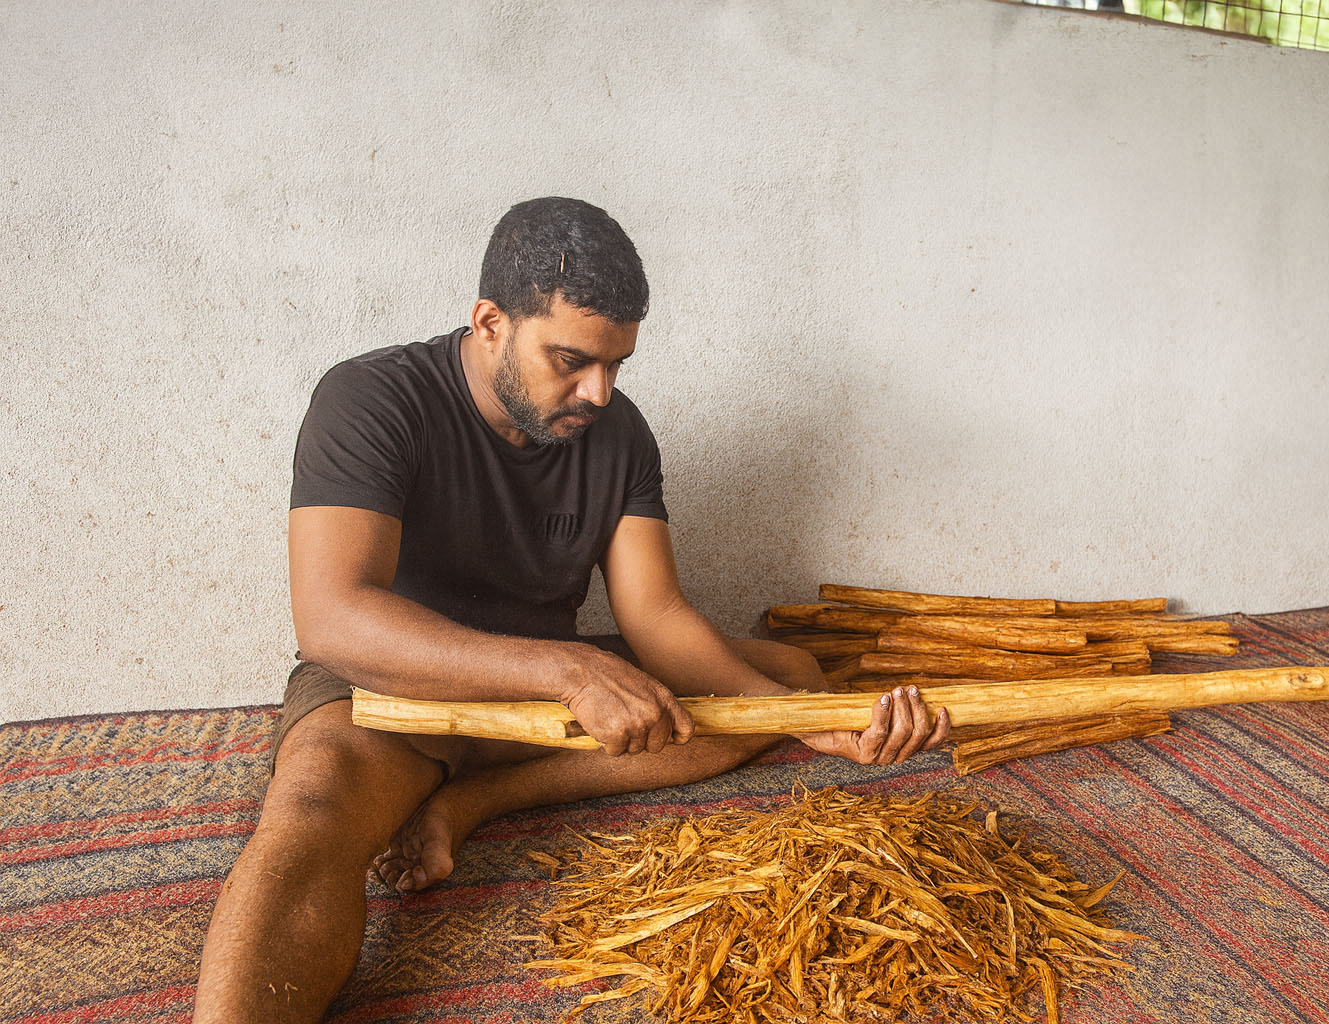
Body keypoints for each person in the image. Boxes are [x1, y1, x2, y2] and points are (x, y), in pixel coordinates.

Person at [191, 197, 949, 1022]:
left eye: (617, 364)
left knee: (789, 671)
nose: (598, 391)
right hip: (396, 697)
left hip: (546, 704)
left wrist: (806, 719)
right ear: (489, 322)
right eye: (571, 360)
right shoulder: (371, 398)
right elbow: (332, 618)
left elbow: (657, 617)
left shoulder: (619, 435)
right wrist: (566, 667)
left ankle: (474, 802)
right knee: (313, 808)